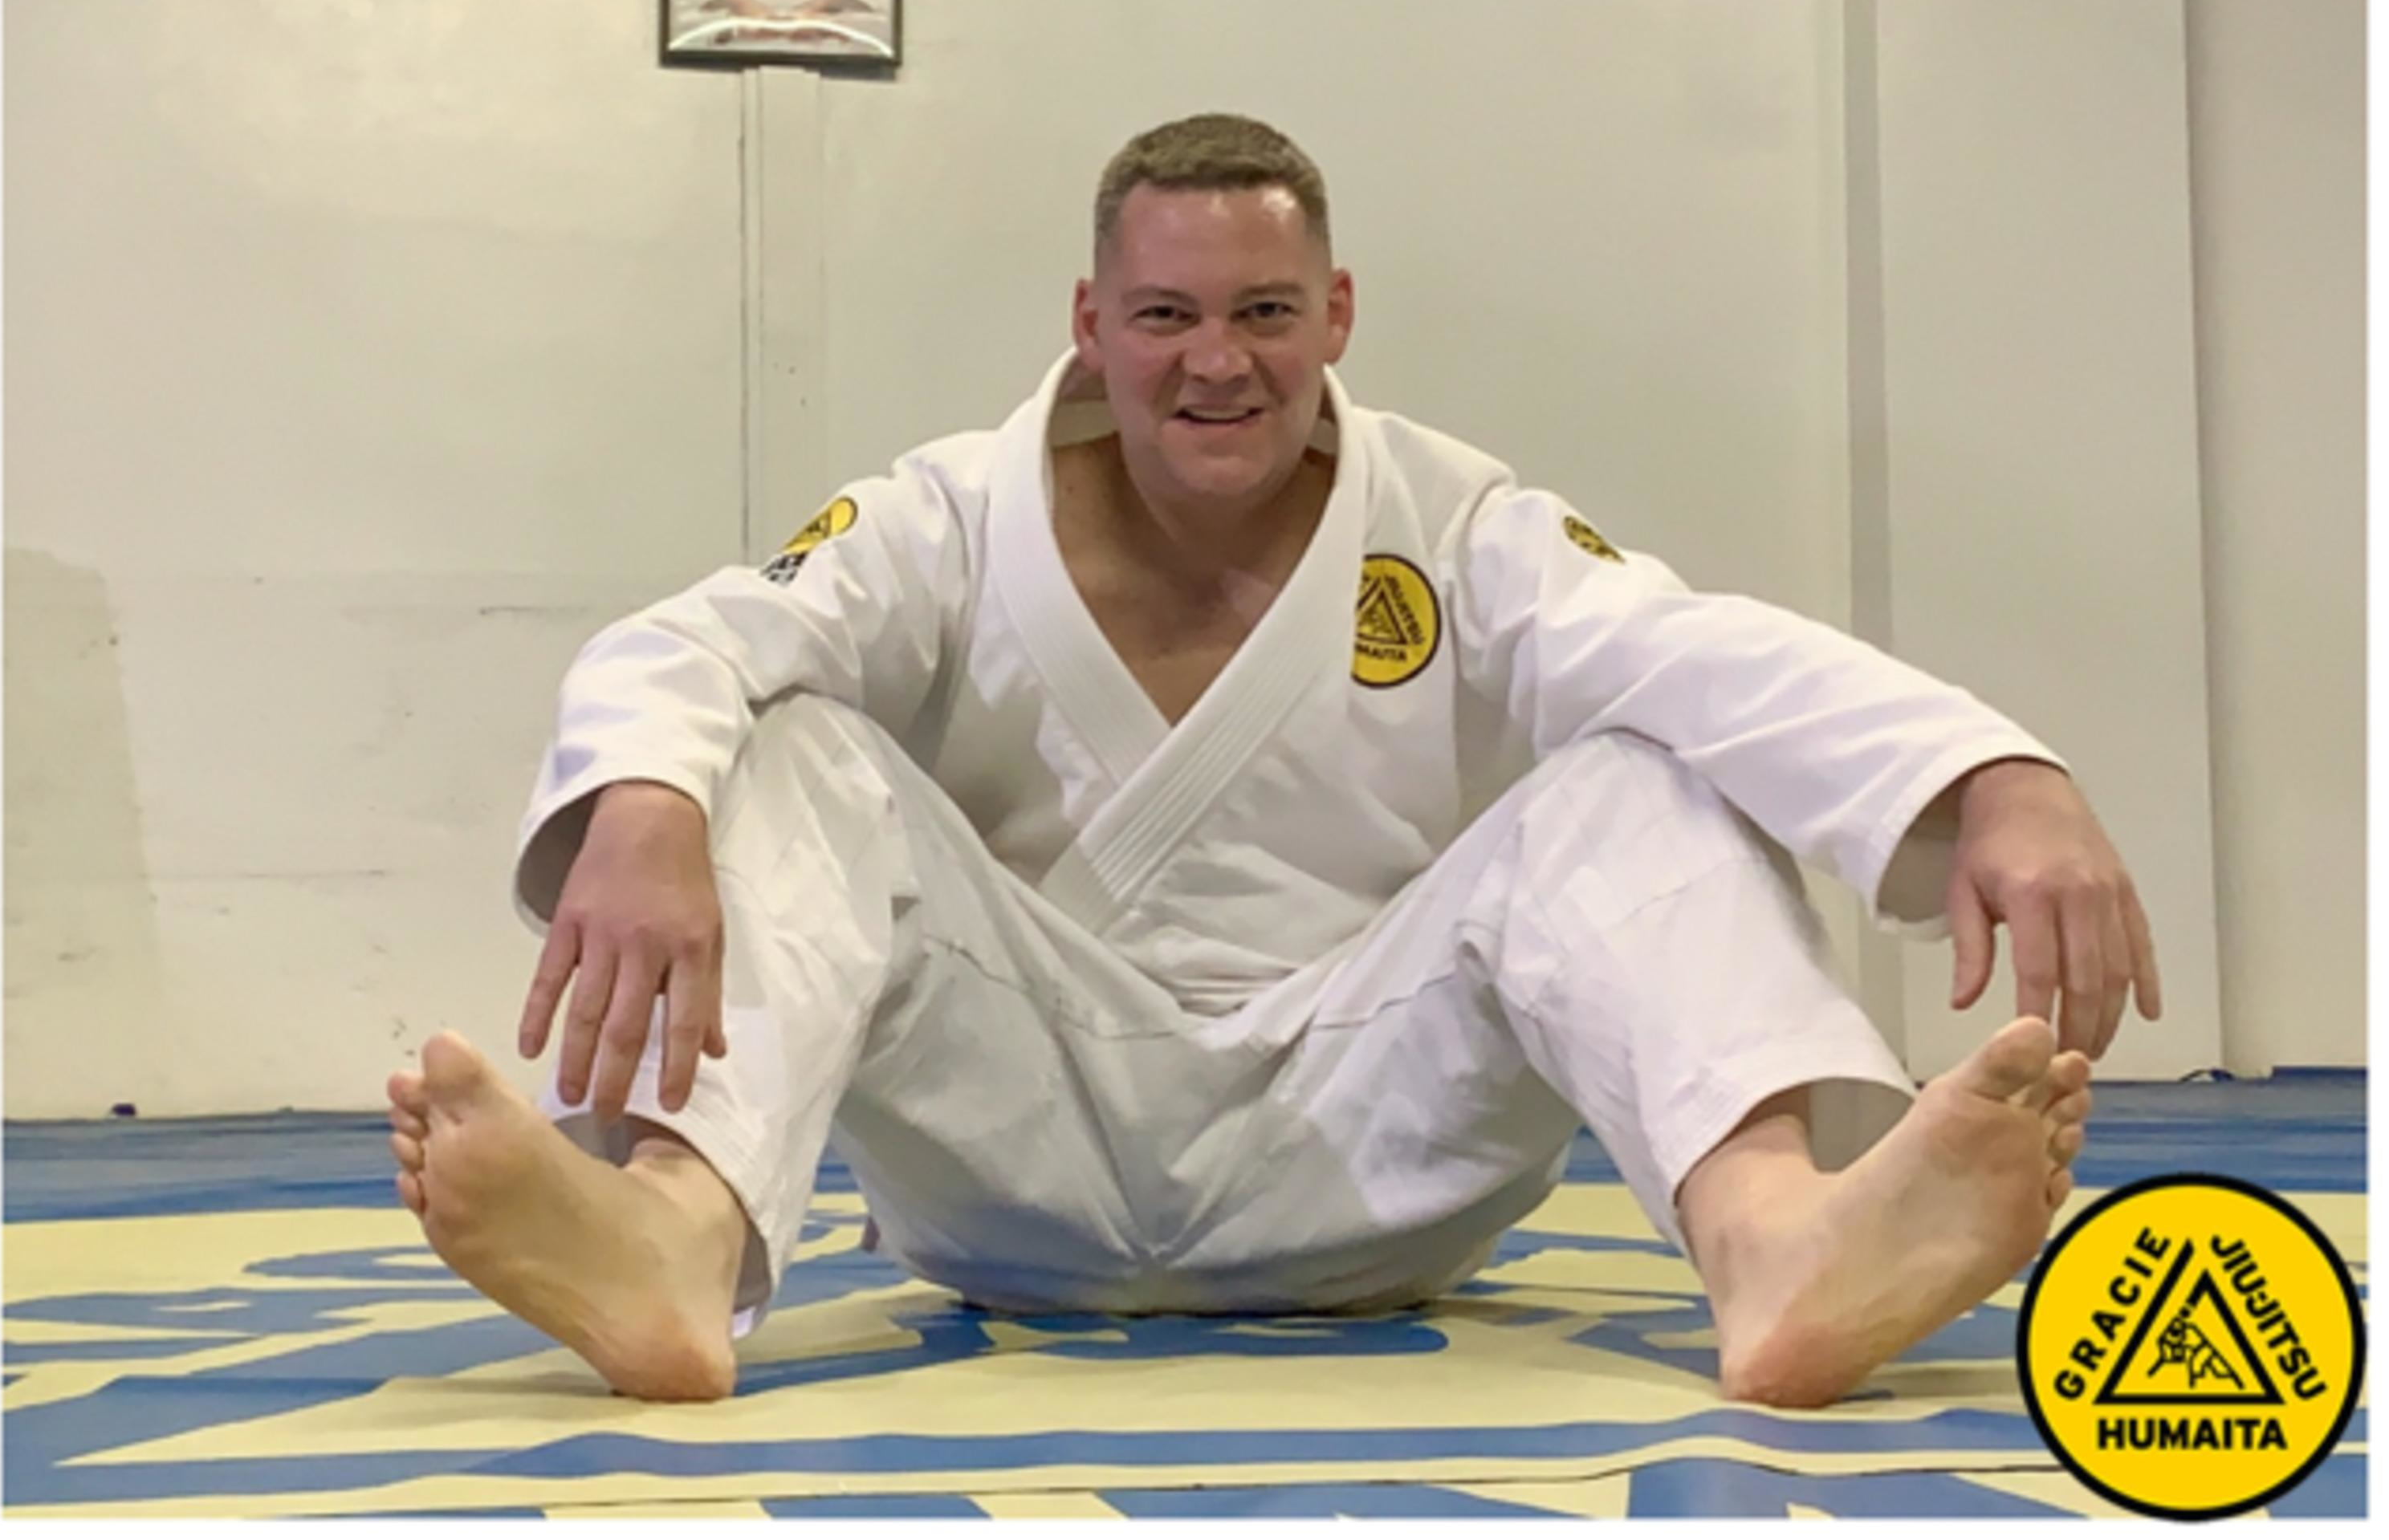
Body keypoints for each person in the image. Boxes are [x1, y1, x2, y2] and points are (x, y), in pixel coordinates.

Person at [388, 114, 2158, 1408]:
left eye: (1264, 311)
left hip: (1368, 1155)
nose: (1216, 362)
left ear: (1338, 314)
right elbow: (702, 638)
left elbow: (1693, 648)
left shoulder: (1451, 521)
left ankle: (1778, 1243)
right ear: (1092, 323)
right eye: (1166, 315)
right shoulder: (950, 517)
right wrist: (646, 803)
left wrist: (1995, 779)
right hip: (1016, 1155)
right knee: (786, 742)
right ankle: (674, 1236)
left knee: (1647, 761)